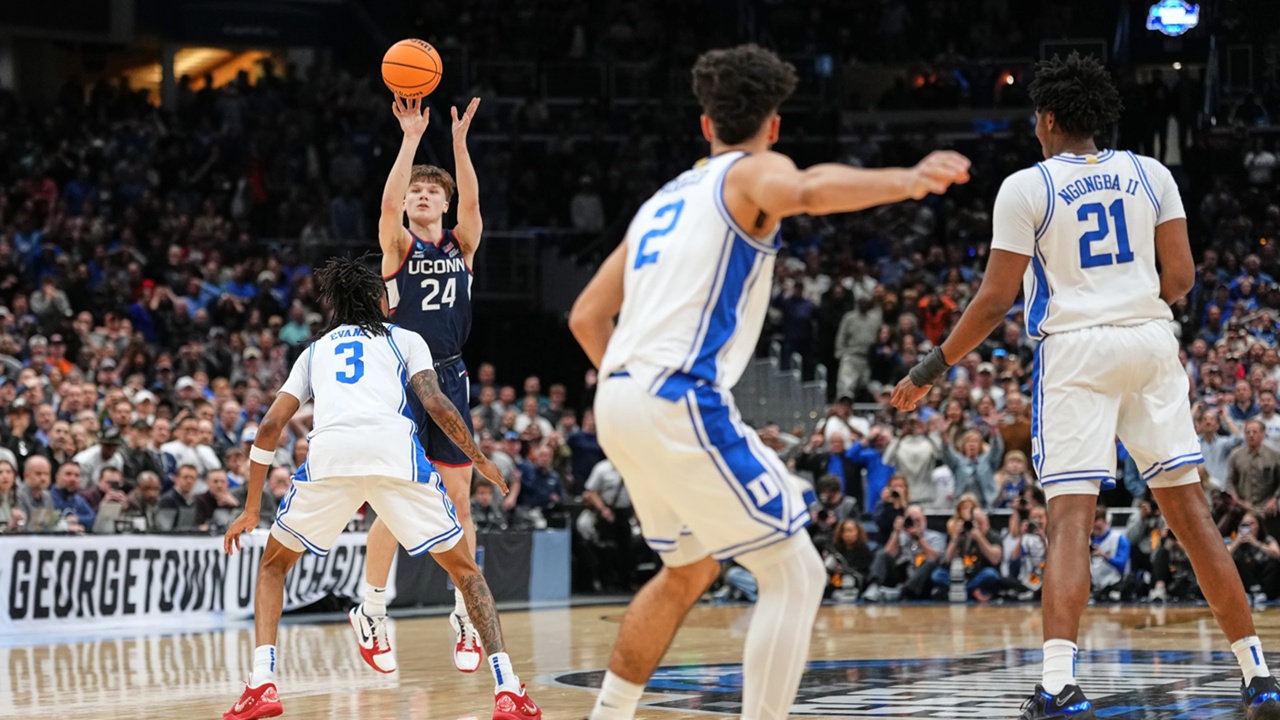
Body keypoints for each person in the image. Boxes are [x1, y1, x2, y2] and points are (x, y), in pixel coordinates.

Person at [569, 43, 970, 720]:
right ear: (774, 126)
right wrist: (908, 179)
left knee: (689, 570)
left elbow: (585, 315)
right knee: (796, 571)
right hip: (674, 392)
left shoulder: (662, 200)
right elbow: (808, 192)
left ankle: (608, 713)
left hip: (618, 394)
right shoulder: (754, 172)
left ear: (705, 124)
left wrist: (632, 395)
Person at [892, 53, 1280, 719]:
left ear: (1046, 120)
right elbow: (1181, 280)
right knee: (1191, 518)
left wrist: (930, 369)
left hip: (1076, 350)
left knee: (1071, 517)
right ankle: (1259, 674)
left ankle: (1059, 685)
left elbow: (992, 302)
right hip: (1151, 339)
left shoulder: (1026, 187)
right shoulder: (1152, 173)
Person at [222, 258, 541, 720]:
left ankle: (263, 682)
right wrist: (480, 458)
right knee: (467, 572)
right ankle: (508, 689)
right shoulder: (407, 339)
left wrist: (252, 508)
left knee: (273, 567)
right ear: (379, 301)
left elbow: (270, 426)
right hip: (394, 454)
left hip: (332, 458)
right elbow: (436, 404)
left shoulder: (314, 351)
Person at [369, 93, 491, 673]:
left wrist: (460, 145)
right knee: (393, 497)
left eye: (432, 191)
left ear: (444, 202)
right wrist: (412, 139)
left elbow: (472, 201)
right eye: (416, 190)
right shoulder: (398, 245)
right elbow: (389, 200)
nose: (422, 195)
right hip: (398, 375)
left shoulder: (461, 244)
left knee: (459, 499)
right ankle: (372, 607)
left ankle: (466, 614)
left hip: (450, 376)